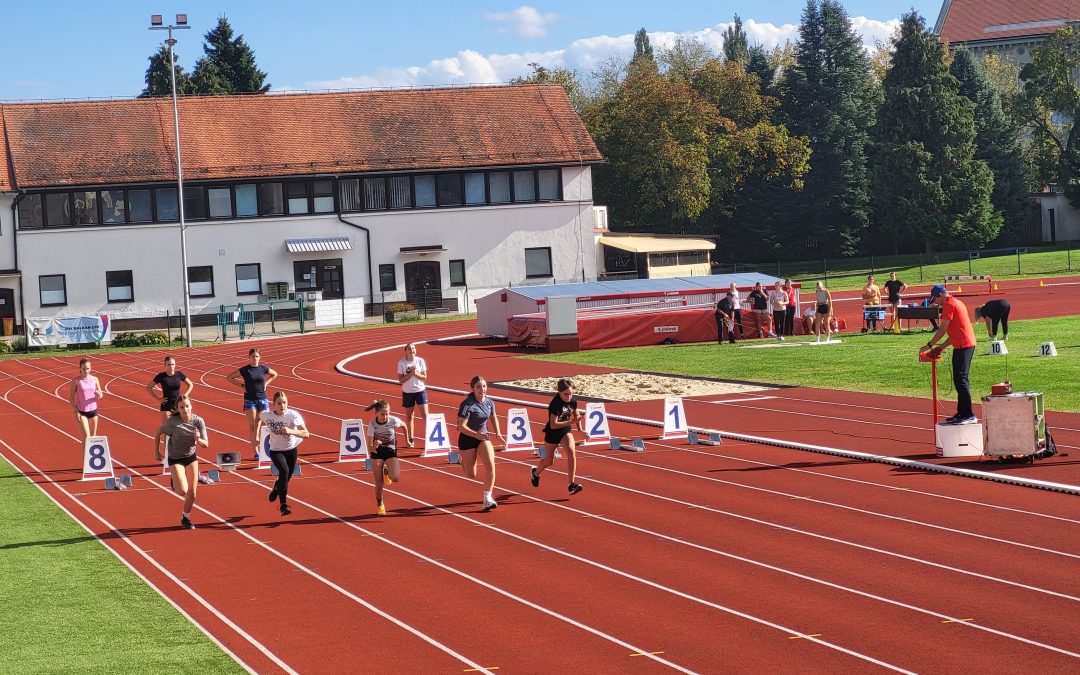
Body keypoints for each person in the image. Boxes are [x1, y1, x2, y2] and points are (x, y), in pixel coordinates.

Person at [924, 285, 978, 425]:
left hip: (964, 345)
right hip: (962, 344)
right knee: (959, 379)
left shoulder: (949, 305)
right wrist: (941, 347)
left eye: (935, 298)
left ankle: (968, 414)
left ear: (941, 294)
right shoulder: (956, 302)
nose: (934, 301)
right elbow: (955, 331)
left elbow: (943, 329)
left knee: (961, 379)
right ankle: (961, 412)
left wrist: (929, 345)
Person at [153, 395, 208, 530]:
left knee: (193, 493)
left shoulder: (198, 421)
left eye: (187, 406)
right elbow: (158, 432)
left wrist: (198, 439)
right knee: (183, 490)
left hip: (190, 457)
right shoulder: (173, 422)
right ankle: (175, 480)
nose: (185, 409)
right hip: (175, 458)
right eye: (182, 407)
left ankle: (185, 517)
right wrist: (156, 451)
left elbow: (206, 444)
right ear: (178, 408)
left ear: (191, 407)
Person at [530, 378, 585, 495]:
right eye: (565, 394)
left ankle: (571, 484)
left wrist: (580, 429)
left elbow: (577, 414)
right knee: (549, 461)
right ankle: (536, 473)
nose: (568, 397)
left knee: (571, 453)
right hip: (553, 432)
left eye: (571, 393)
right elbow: (553, 425)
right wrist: (571, 422)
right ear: (559, 392)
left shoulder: (573, 401)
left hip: (565, 430)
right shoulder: (555, 404)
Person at [456, 376, 503, 512]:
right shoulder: (467, 404)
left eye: (484, 386)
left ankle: (487, 498)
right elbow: (461, 426)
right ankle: (462, 459)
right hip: (467, 438)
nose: (482, 389)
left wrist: (498, 433)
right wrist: (475, 434)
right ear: (472, 389)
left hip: (483, 437)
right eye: (478, 387)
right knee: (471, 475)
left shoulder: (489, 402)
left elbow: (494, 417)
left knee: (490, 464)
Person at [259, 391, 309, 516]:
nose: (282, 405)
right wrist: (255, 435)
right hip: (276, 451)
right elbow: (258, 418)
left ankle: (277, 487)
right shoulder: (267, 415)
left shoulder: (293, 415)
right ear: (274, 404)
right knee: (284, 472)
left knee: (285, 479)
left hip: (291, 450)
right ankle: (283, 505)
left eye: (285, 402)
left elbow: (306, 434)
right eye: (279, 403)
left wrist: (291, 431)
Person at [227, 349, 278, 460]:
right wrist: (241, 386)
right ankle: (256, 451)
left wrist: (266, 383)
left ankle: (265, 449)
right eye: (253, 356)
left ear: (260, 357)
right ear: (249, 357)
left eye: (257, 356)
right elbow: (229, 377)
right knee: (253, 425)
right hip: (250, 400)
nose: (255, 359)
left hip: (262, 399)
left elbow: (274, 374)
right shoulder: (245, 370)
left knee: (264, 425)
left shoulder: (263, 368)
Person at [365, 399, 412, 516]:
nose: (385, 416)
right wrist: (374, 445)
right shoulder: (372, 424)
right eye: (382, 414)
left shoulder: (393, 420)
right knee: (379, 482)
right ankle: (380, 504)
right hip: (377, 452)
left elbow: (404, 425)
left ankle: (387, 471)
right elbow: (369, 447)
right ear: (376, 413)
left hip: (390, 451)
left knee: (395, 478)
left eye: (387, 414)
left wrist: (407, 440)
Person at [396, 343, 428, 447]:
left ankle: (429, 438)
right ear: (405, 351)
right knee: (409, 416)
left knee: (426, 415)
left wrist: (416, 374)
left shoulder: (420, 361)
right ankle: (411, 438)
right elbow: (401, 380)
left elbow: (425, 377)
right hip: (408, 392)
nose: (412, 350)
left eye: (413, 348)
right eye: (409, 349)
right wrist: (411, 374)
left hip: (420, 390)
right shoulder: (401, 363)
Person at [146, 355, 194, 424]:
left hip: (178, 405)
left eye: (173, 364)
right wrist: (158, 399)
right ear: (165, 365)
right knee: (166, 428)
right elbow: (148, 387)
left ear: (175, 365)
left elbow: (190, 385)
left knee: (179, 427)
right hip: (166, 405)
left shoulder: (179, 374)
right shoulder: (161, 376)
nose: (171, 366)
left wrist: (185, 395)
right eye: (169, 364)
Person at [68, 358, 104, 444]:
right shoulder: (76, 381)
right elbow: (71, 398)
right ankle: (85, 457)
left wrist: (99, 395)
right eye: (83, 369)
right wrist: (76, 411)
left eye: (87, 368)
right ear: (80, 368)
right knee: (87, 438)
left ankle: (91, 457)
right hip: (82, 412)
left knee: (93, 438)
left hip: (93, 411)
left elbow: (101, 394)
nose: (86, 371)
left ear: (91, 368)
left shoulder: (95, 379)